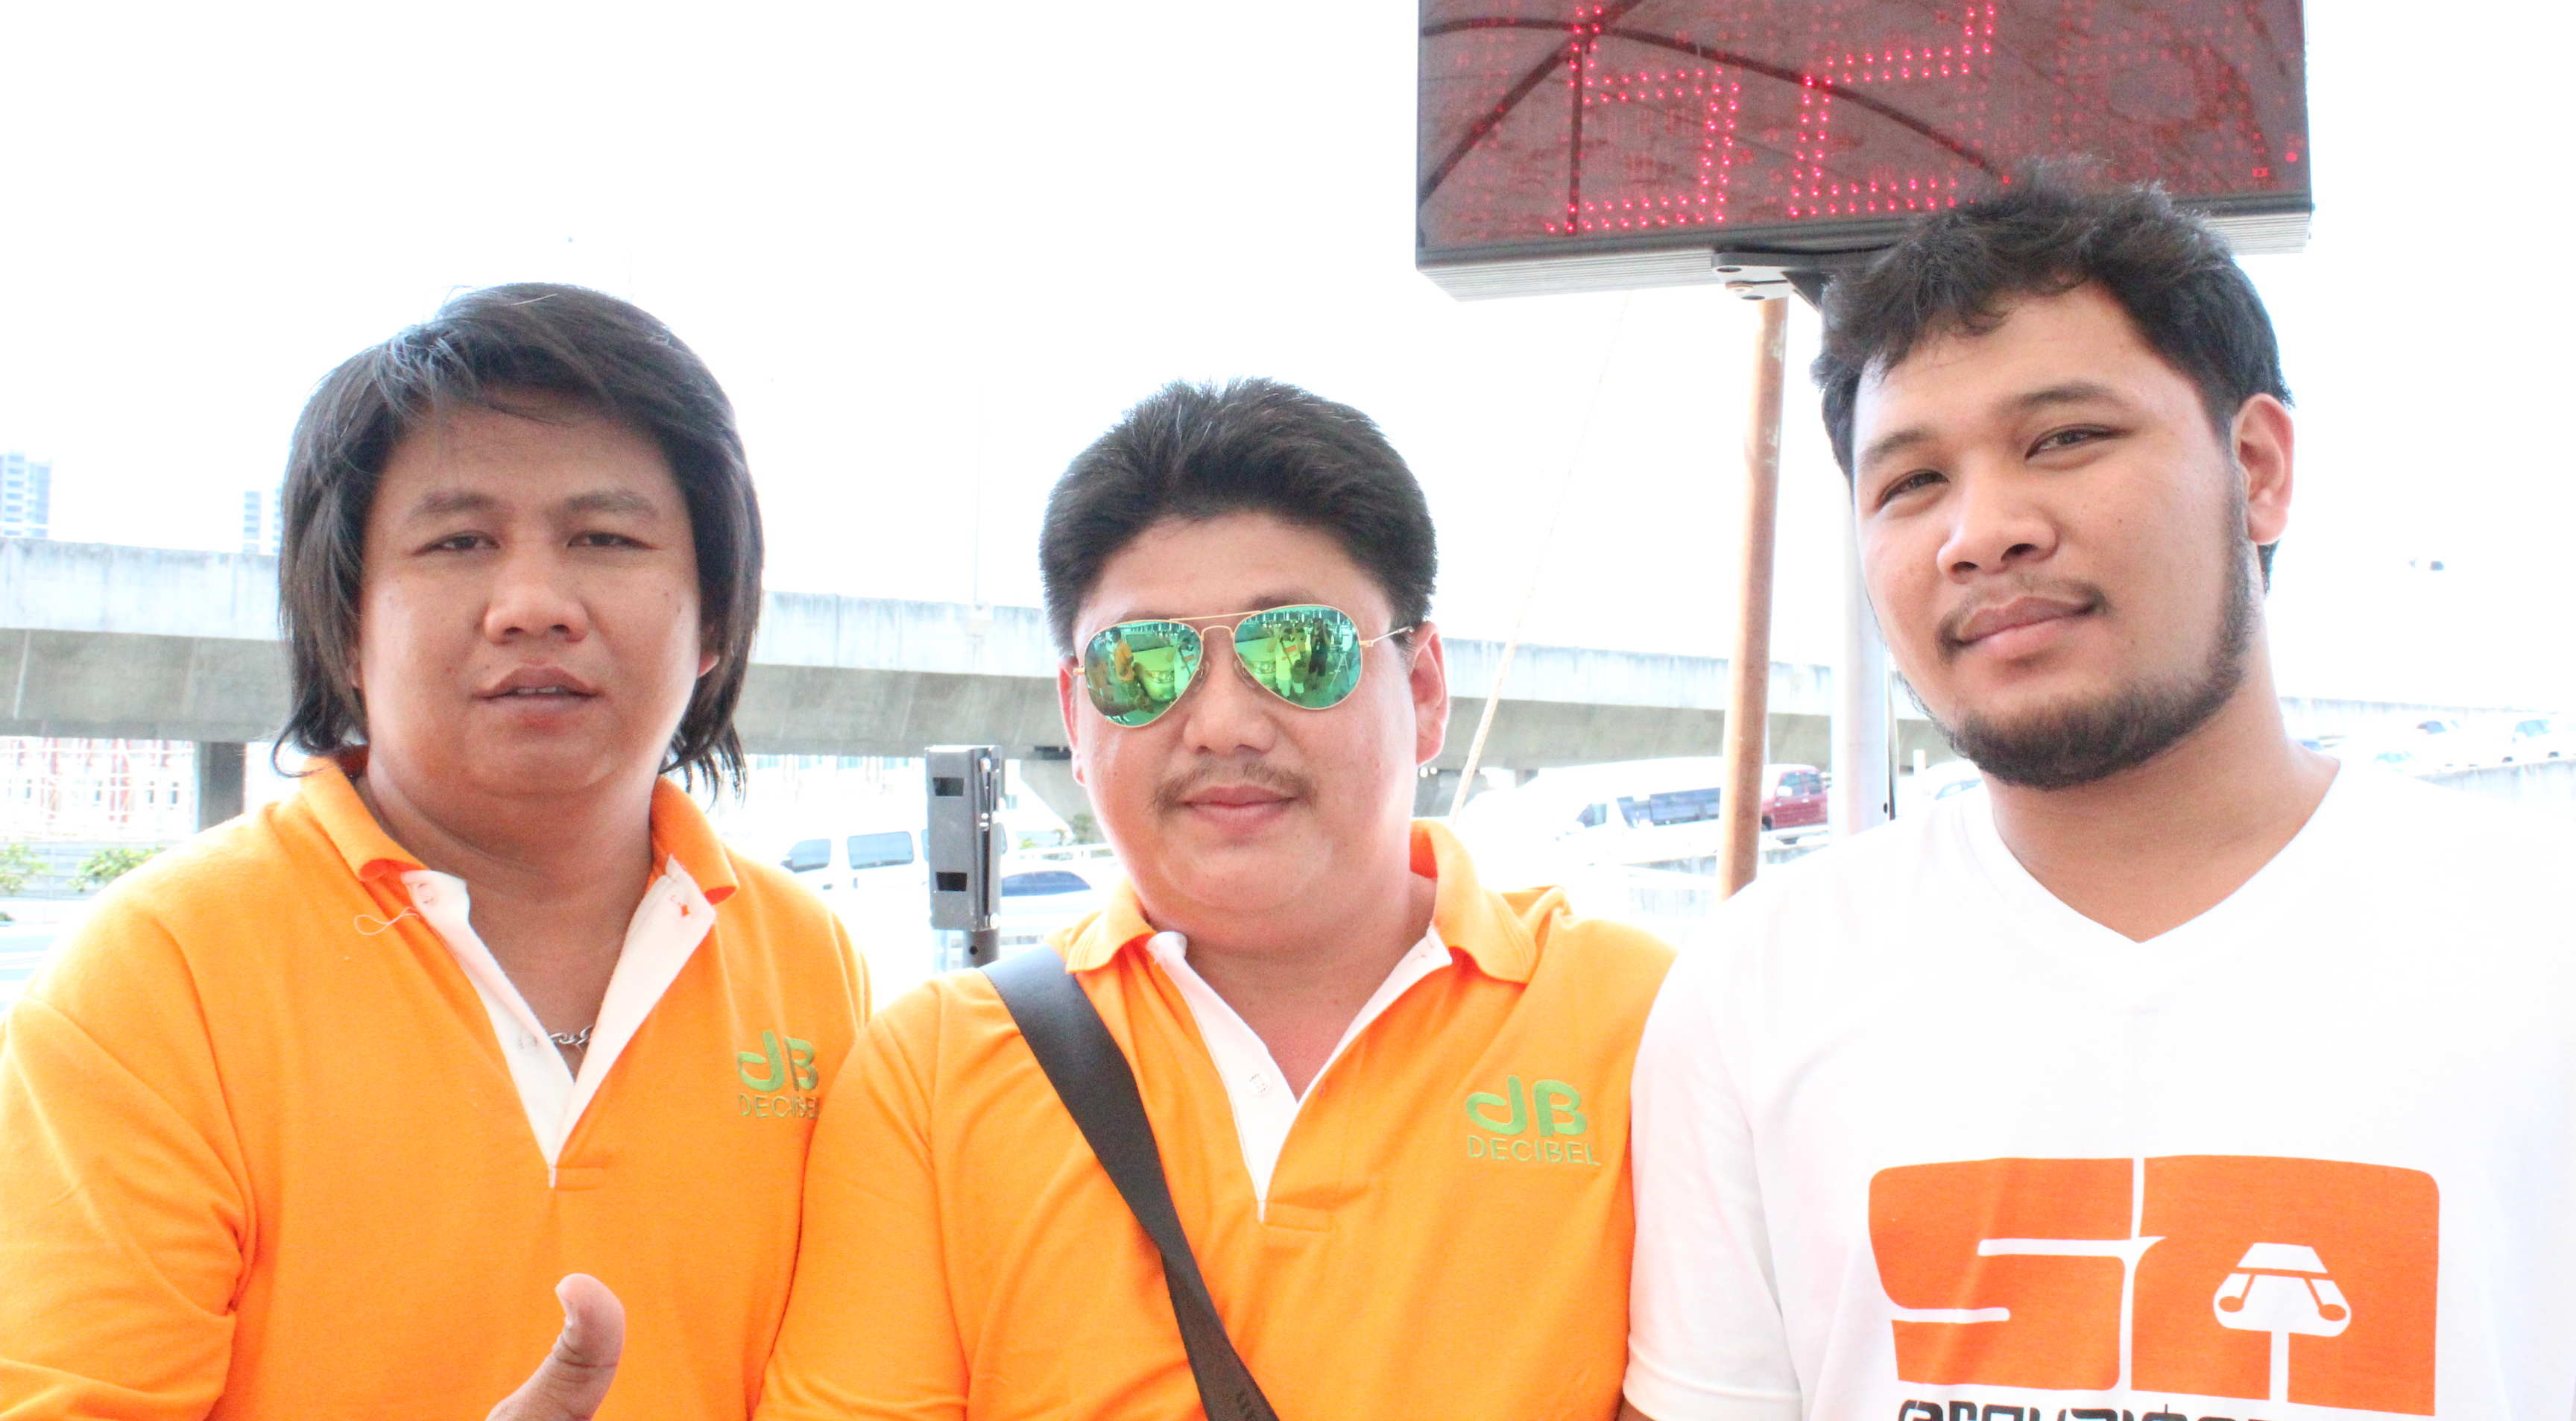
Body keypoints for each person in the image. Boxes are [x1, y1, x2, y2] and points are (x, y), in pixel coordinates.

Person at [1620, 180, 2576, 1421]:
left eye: (2064, 438)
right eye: (1911, 482)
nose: (1982, 532)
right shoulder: (1758, 985)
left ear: (2258, 468)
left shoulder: (2536, 943)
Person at [0, 285, 869, 1420]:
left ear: (713, 616)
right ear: (345, 622)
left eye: (606, 539)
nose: (533, 605)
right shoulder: (163, 971)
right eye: (458, 542)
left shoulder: (810, 964)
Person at [757, 377, 1678, 1419]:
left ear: (1423, 691)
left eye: (1299, 650)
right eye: (1144, 664)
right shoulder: (934, 1072)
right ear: (1076, 712)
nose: (1224, 724)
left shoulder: (1640, 1024)